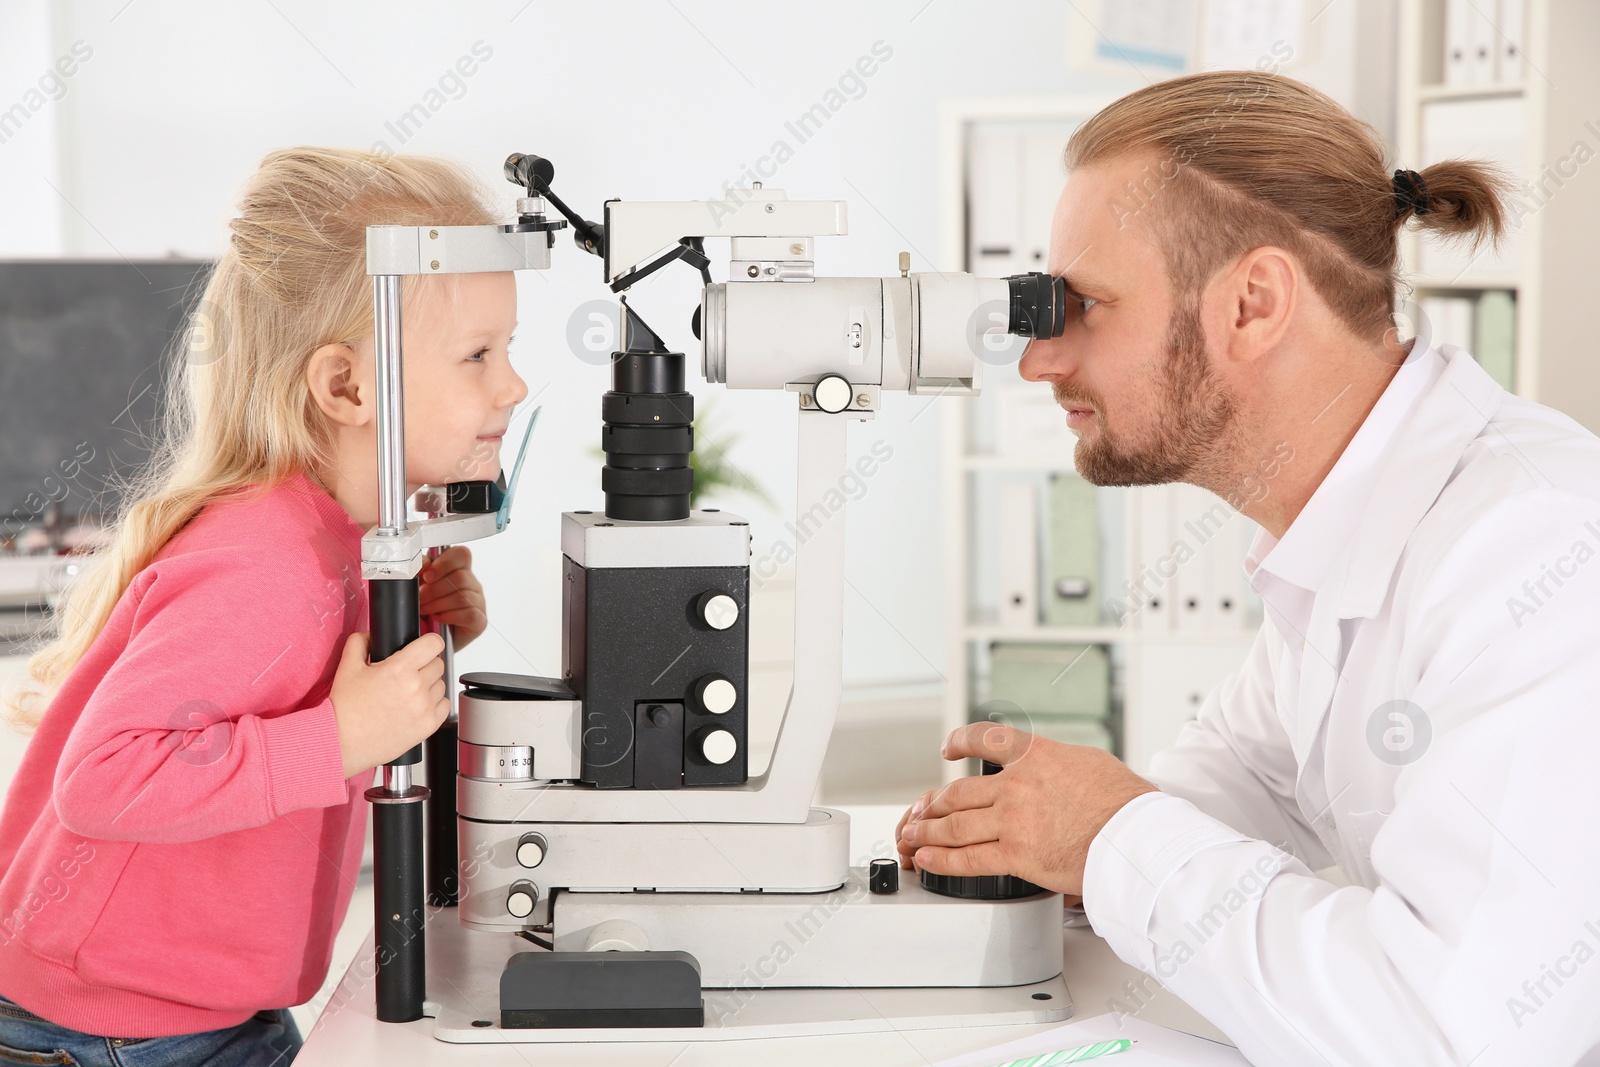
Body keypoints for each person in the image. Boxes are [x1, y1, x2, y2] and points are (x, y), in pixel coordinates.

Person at [898, 71, 1600, 1065]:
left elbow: (1462, 1033)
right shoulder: (1337, 542)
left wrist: (1107, 837)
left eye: (1085, 305)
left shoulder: (1535, 544)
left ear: (1252, 304)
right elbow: (1225, 792)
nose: (1041, 362)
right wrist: (1029, 838)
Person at [0, 147, 525, 1064]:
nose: (512, 385)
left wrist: (429, 627)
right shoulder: (266, 560)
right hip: (114, 1029)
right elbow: (106, 779)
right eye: (478, 355)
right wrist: (340, 737)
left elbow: (305, 680)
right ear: (345, 387)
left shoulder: (351, 538)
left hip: (208, 1005)